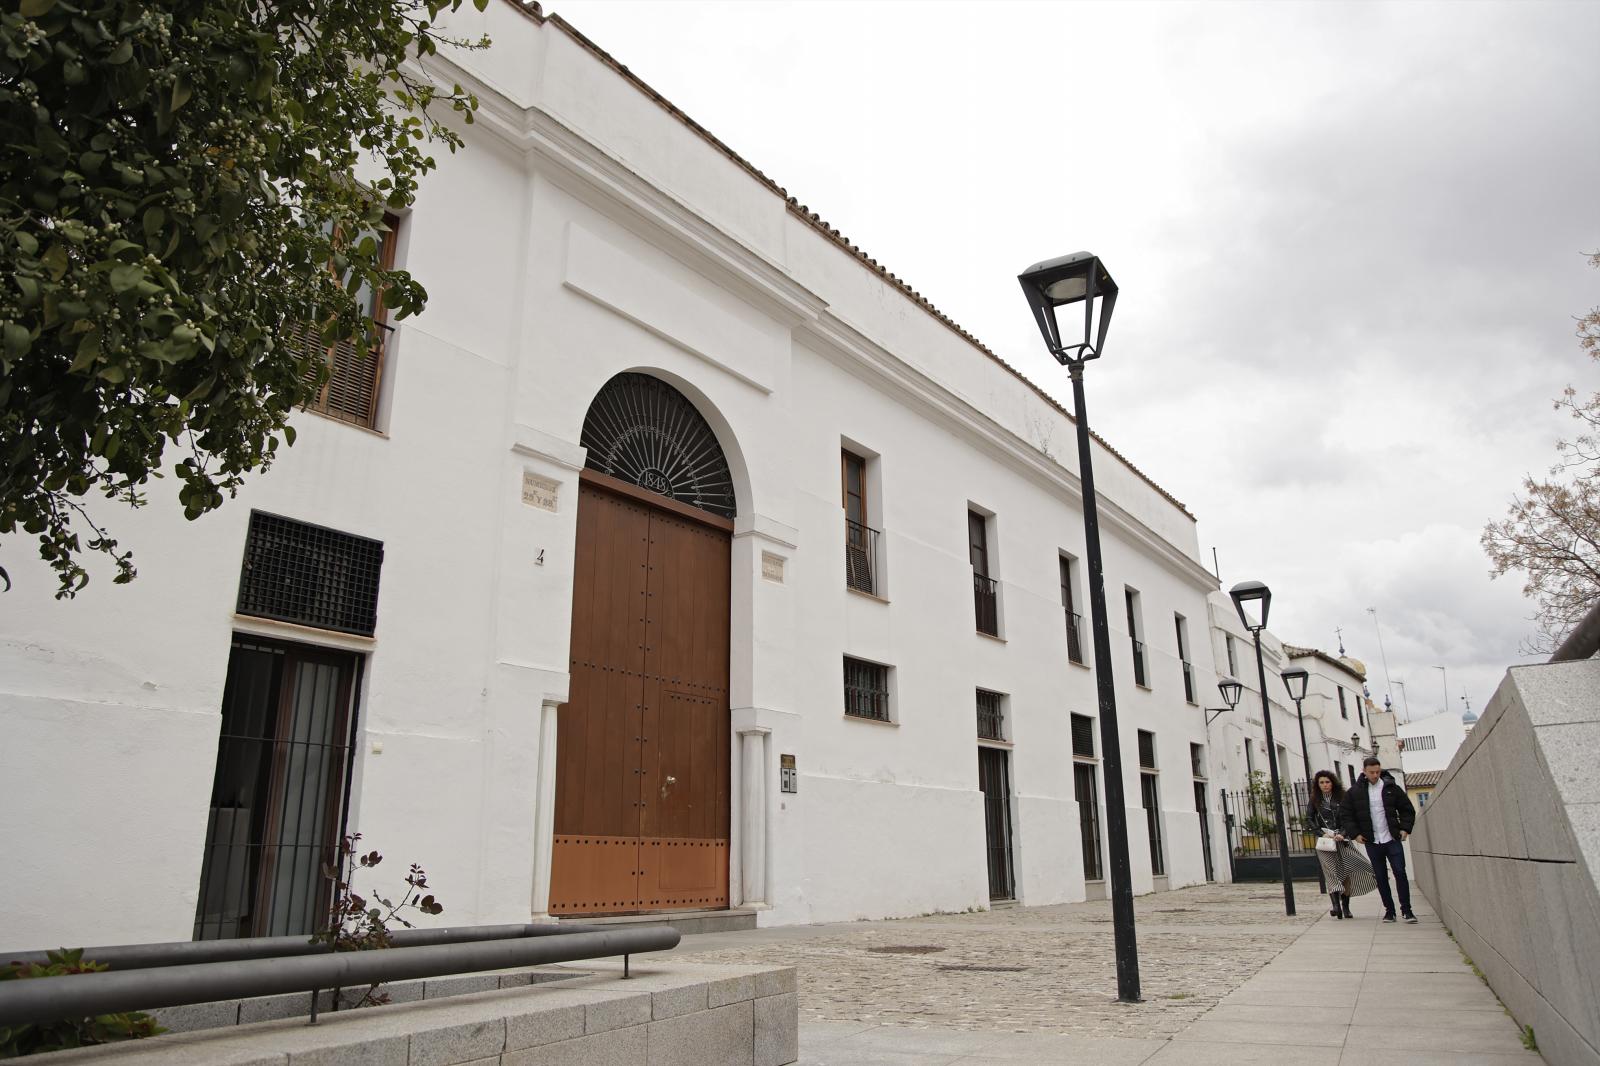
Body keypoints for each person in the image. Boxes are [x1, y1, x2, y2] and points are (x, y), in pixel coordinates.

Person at [1339, 756, 1418, 924]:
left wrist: (1405, 829)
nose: (1375, 775)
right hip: (1372, 841)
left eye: (1378, 772)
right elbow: (1346, 815)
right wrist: (1355, 834)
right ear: (1364, 772)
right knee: (1381, 877)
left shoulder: (1392, 788)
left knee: (1400, 872)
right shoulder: (1354, 792)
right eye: (1372, 772)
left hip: (1392, 838)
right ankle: (1390, 911)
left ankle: (1407, 911)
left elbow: (1407, 809)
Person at [1306, 769, 1376, 919]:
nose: (1325, 785)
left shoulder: (1343, 798)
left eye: (1327, 782)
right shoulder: (1314, 800)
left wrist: (1343, 834)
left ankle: (1345, 907)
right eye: (1321, 782)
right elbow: (1309, 819)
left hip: (1342, 840)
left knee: (1346, 871)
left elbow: (1348, 818)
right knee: (1330, 872)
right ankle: (1336, 906)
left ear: (1333, 783)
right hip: (1325, 841)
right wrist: (1321, 833)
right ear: (1317, 785)